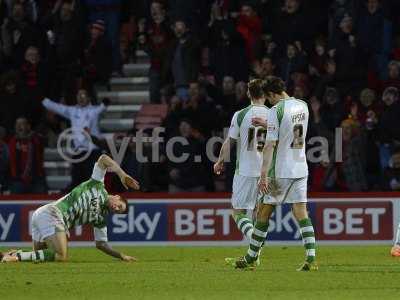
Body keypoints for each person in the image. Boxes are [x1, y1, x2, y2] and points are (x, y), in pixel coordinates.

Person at [227, 76, 317, 271]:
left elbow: (270, 144)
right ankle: (311, 256)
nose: (269, 102)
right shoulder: (303, 105)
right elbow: (289, 129)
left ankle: (251, 257)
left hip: (281, 170)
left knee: (262, 213)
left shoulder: (276, 110)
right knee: (301, 212)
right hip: (301, 168)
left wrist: (264, 174)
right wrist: (268, 125)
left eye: (269, 98)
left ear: (272, 94)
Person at [1, 154, 140, 263]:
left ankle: (10, 254)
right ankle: (16, 257)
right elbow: (103, 158)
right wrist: (122, 174)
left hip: (44, 216)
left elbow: (101, 244)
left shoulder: (99, 218)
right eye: (119, 206)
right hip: (52, 213)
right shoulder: (97, 184)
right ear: (116, 196)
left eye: (118, 211)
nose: (116, 209)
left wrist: (121, 256)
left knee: (43, 256)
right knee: (61, 256)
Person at [214, 79, 268, 244]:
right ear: (265, 94)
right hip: (266, 172)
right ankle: (253, 257)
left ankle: (254, 239)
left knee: (238, 213)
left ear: (248, 94)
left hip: (245, 170)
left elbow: (229, 142)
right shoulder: (273, 115)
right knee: (258, 215)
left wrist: (220, 161)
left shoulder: (240, 115)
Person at [42, 89, 106, 190]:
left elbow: (103, 107)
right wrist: (44, 101)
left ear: (88, 98)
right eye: (79, 95)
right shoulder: (72, 111)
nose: (81, 98)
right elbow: (58, 108)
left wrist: (105, 103)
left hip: (93, 150)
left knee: (92, 179)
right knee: (76, 178)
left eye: (83, 95)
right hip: (79, 151)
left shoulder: (95, 110)